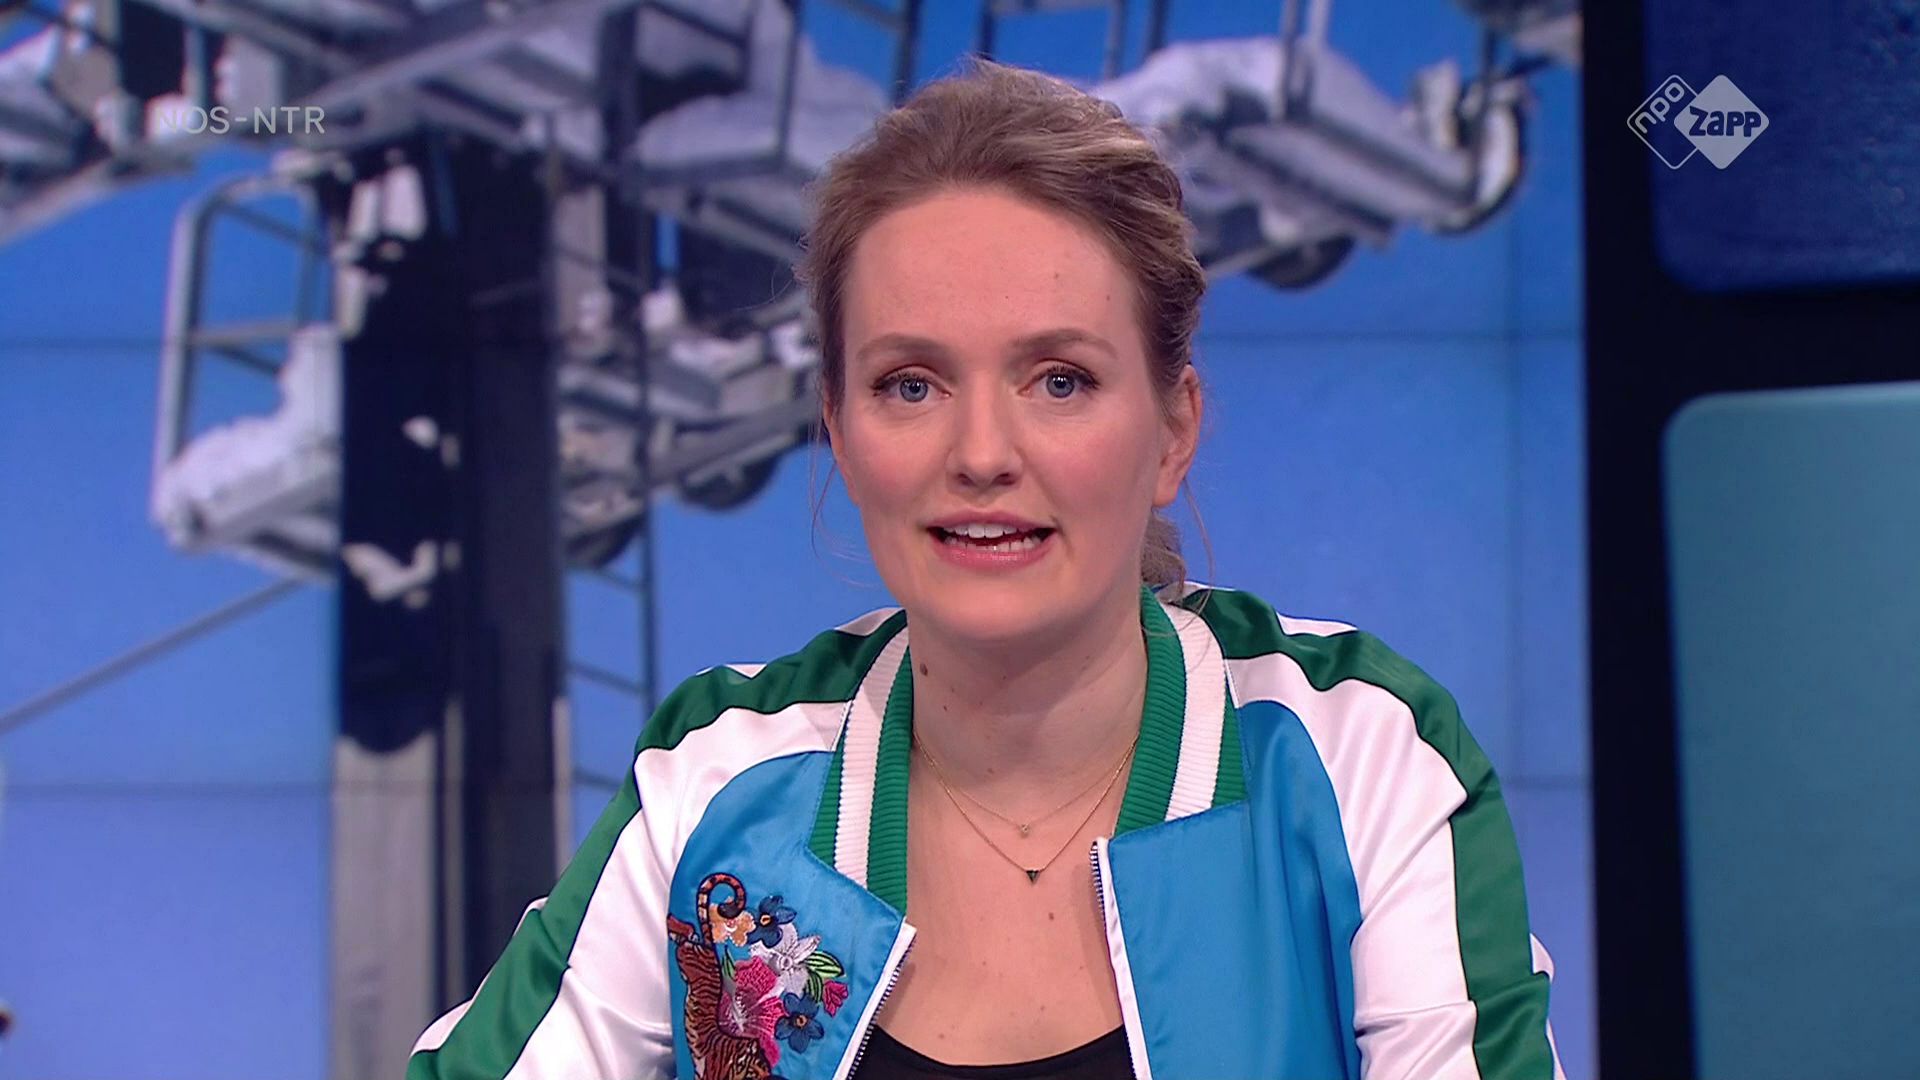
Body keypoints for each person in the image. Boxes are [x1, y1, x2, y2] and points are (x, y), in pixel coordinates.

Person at [408, 57, 1565, 1080]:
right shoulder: (721, 779)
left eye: (1059, 380)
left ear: (1172, 430)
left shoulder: (1353, 758)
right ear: (839, 431)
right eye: (910, 385)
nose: (980, 454)